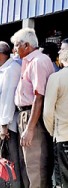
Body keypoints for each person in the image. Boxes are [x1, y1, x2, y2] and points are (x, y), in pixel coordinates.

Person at [11, 27, 54, 188]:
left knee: (36, 166)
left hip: (32, 116)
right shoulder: (28, 61)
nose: (14, 49)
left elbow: (39, 96)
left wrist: (29, 128)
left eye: (16, 45)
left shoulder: (38, 61)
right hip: (26, 115)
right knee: (28, 164)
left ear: (27, 45)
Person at [0, 41, 24, 187]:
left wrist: (4, 126)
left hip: (7, 128)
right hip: (1, 126)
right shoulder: (4, 69)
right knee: (2, 163)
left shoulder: (11, 69)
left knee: (9, 165)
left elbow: (8, 99)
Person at [43, 49, 68, 187]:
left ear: (61, 60)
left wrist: (53, 132)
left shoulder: (56, 77)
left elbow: (47, 112)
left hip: (63, 134)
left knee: (63, 180)